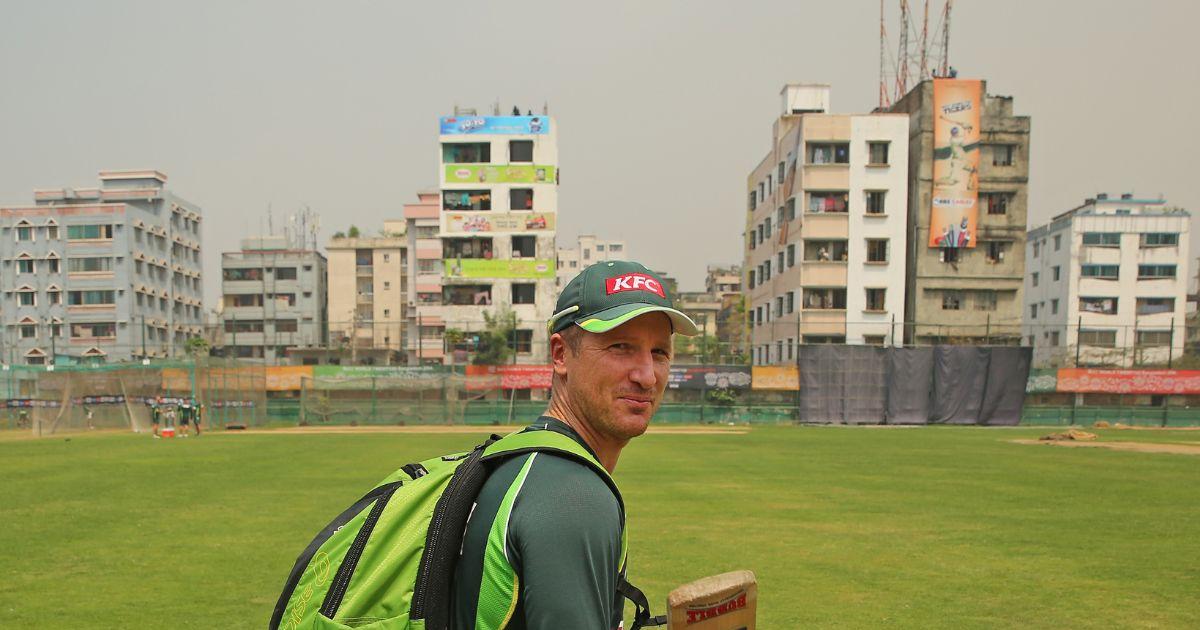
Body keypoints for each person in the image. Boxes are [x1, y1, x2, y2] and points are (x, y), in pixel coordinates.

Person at [452, 260, 699, 630]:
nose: (647, 376)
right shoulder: (573, 496)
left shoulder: (522, 462)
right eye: (621, 347)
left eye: (659, 352)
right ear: (560, 354)